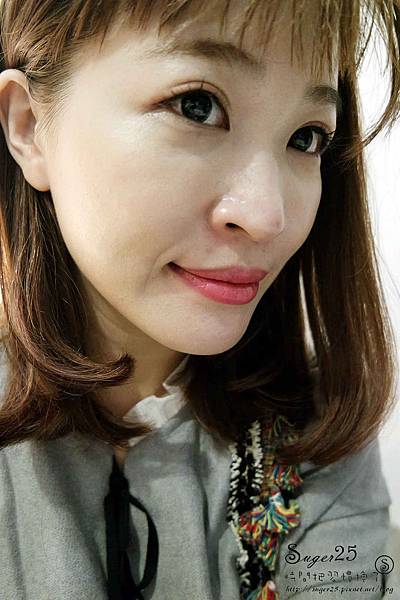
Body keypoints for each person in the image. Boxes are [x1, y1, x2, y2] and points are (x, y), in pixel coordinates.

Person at [0, 0, 399, 598]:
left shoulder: (318, 430)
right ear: (30, 126)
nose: (267, 215)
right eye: (197, 106)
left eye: (306, 137)